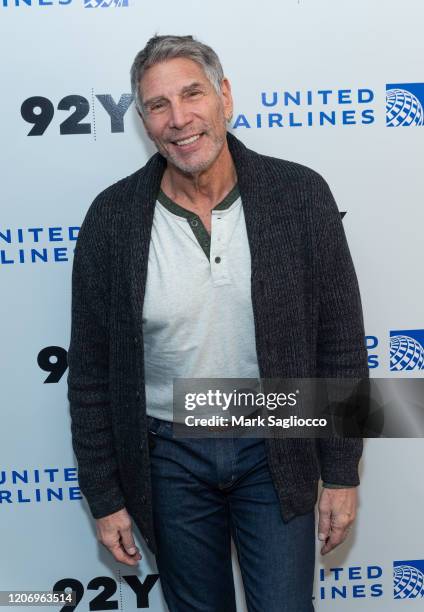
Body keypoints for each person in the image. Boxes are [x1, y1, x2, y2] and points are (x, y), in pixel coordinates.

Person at [67, 34, 369, 612]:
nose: (179, 119)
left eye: (192, 94)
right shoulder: (112, 219)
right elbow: (90, 376)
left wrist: (341, 473)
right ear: (143, 120)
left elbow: (341, 346)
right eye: (158, 105)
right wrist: (104, 497)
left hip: (275, 442)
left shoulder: (299, 195)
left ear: (224, 96)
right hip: (168, 456)